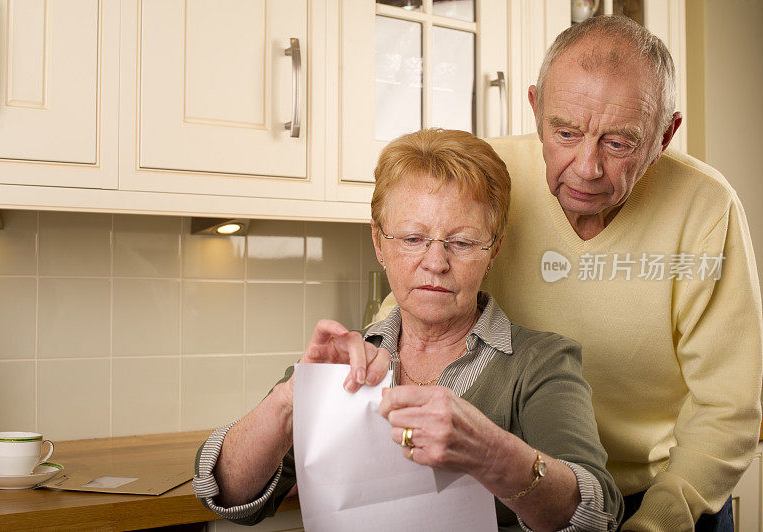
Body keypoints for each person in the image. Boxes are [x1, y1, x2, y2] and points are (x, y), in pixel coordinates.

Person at [373, 15, 763, 532]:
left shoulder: (707, 210)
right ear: (535, 109)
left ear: (665, 135)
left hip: (663, 489)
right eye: (565, 132)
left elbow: (727, 409)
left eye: (618, 143)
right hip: (530, 489)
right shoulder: (492, 178)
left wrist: (655, 521)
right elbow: (420, 298)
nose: (585, 166)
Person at [193, 129, 623, 531]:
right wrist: (292, 398)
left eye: (463, 242)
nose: (436, 263)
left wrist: (492, 455)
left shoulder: (541, 362)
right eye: (413, 239)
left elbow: (598, 512)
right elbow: (224, 491)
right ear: (379, 244)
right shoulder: (350, 357)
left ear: (493, 250)